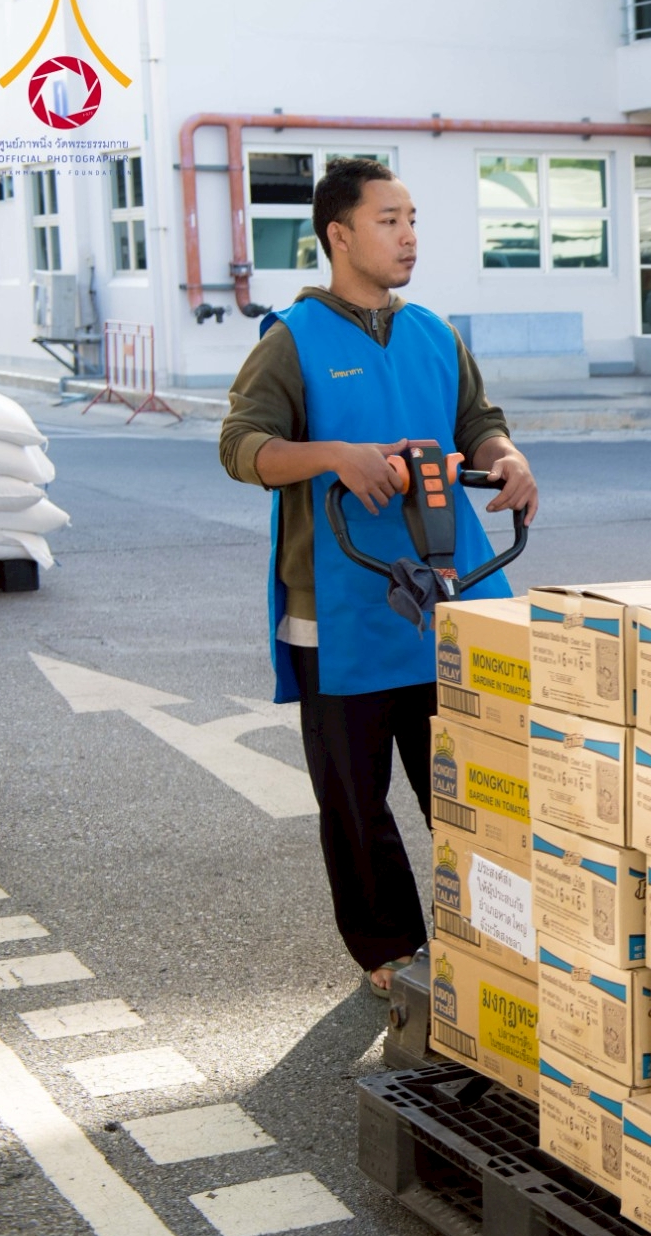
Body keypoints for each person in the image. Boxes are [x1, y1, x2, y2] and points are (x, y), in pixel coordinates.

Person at [218, 157, 538, 995]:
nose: (408, 236)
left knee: (476, 786)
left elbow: (480, 420)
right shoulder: (292, 340)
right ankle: (390, 953)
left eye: (413, 219)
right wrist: (335, 458)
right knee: (357, 804)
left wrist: (507, 457)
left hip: (455, 600)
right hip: (342, 607)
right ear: (339, 234)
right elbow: (242, 447)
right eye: (389, 220)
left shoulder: (435, 332)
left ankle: (494, 940)